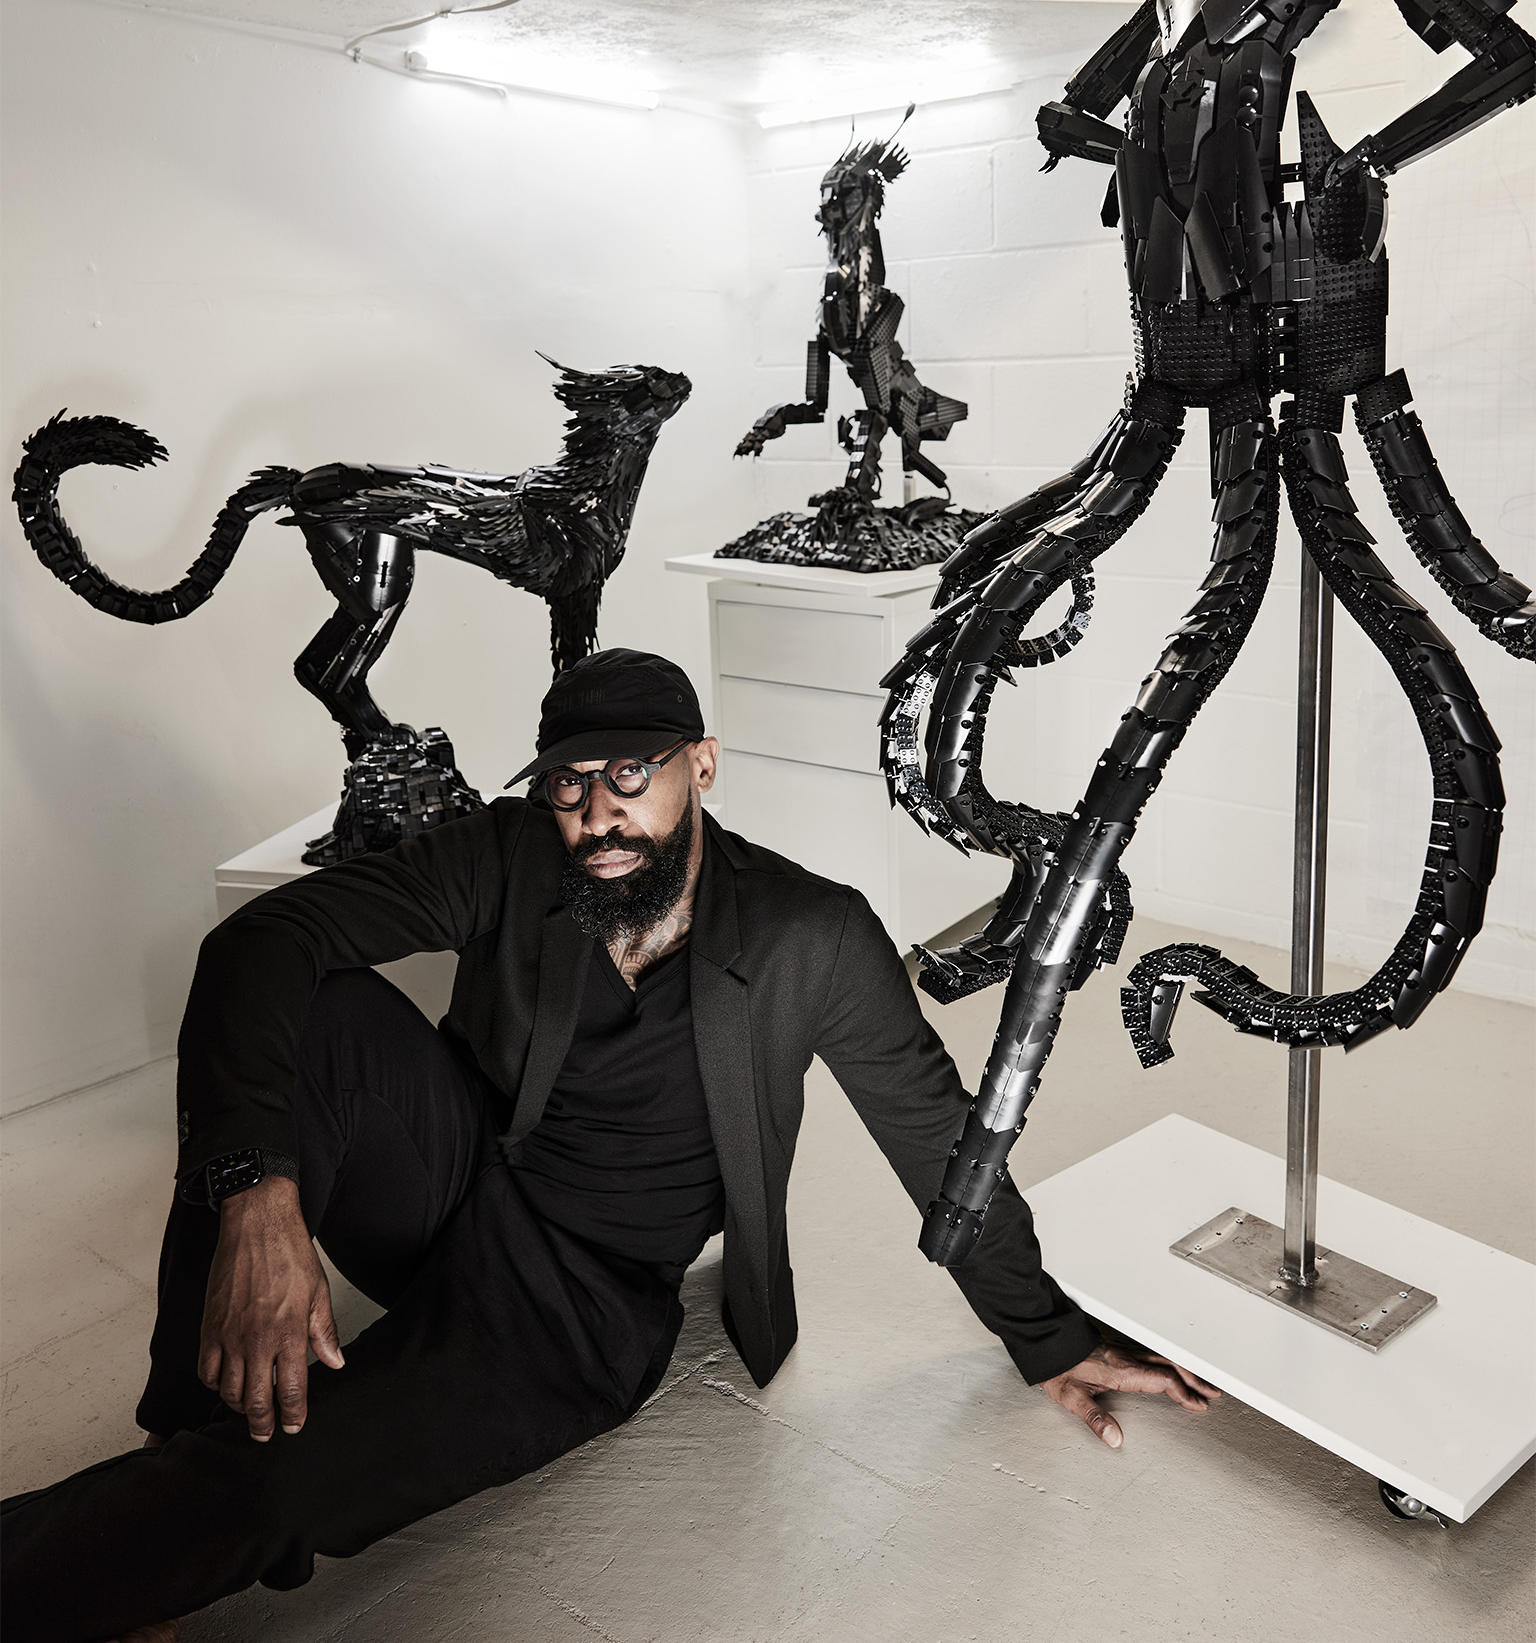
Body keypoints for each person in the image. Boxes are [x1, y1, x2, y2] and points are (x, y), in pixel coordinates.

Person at [2, 648, 1216, 1641]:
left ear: (703, 765)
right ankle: (180, 1433)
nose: (598, 814)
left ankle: (118, 1556)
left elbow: (939, 1138)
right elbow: (259, 943)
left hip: (579, 1303)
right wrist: (256, 1194)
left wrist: (1044, 1332)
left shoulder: (813, 933)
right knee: (313, 1013)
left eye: (631, 775)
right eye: (571, 784)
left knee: (292, 1480)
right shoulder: (510, 849)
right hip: (452, 1185)